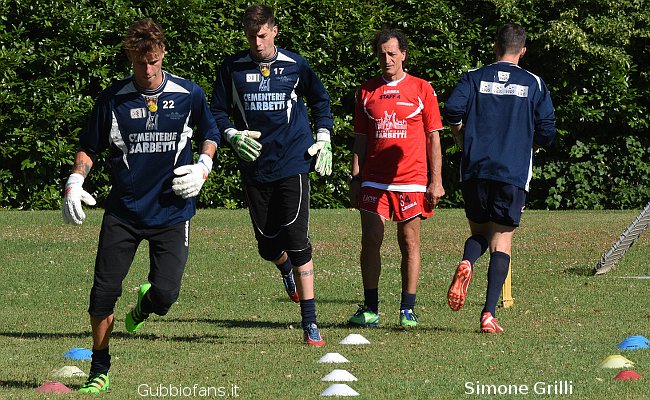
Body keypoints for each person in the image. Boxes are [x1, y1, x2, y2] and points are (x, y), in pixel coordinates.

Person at [61, 18, 219, 392]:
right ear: (130, 59)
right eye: (138, 63)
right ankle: (99, 368)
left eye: (151, 61)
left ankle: (144, 308)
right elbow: (89, 146)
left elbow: (210, 134)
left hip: (172, 212)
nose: (146, 70)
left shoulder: (189, 93)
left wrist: (203, 167)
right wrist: (75, 180)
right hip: (125, 213)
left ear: (162, 53)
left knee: (165, 296)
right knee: (102, 294)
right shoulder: (113, 99)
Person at [210, 4, 332, 346]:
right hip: (255, 165)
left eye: (262, 35)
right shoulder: (232, 68)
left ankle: (310, 322)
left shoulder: (296, 65)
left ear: (274, 31)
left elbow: (320, 102)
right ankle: (284, 270)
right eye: (251, 37)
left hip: (293, 161)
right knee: (267, 244)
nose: (257, 43)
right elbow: (217, 110)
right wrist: (231, 135)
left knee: (297, 239)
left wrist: (323, 137)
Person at [444, 23, 556, 333]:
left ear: (495, 46)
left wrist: (460, 136)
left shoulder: (474, 76)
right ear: (523, 50)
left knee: (479, 232)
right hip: (512, 172)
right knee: (502, 240)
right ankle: (488, 314)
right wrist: (528, 141)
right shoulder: (533, 83)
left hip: (476, 168)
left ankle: (467, 261)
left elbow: (452, 109)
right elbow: (547, 131)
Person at [348, 28, 445, 328]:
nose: (386, 59)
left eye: (392, 53)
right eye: (381, 54)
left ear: (403, 54)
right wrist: (355, 178)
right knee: (370, 241)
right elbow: (360, 140)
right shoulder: (366, 91)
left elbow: (433, 138)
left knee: (409, 241)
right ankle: (371, 308)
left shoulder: (421, 88)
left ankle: (407, 309)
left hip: (411, 179)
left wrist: (436, 181)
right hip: (374, 180)